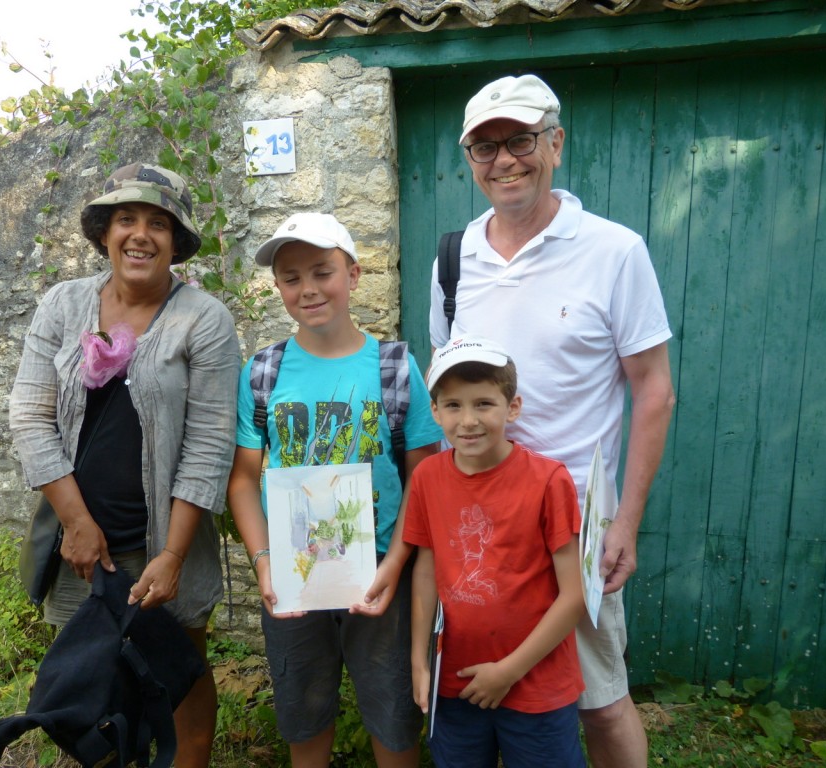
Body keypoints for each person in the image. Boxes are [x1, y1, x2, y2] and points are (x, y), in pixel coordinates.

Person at [429, 75, 676, 768]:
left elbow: (654, 390)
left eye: (520, 140)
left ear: (555, 143)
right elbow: (447, 386)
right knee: (482, 694)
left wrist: (625, 521)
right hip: (478, 524)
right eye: (484, 147)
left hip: (573, 525)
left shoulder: (613, 251)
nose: (504, 160)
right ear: (469, 160)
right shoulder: (452, 260)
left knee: (600, 702)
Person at [9, 162, 240, 768]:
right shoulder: (63, 305)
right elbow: (29, 418)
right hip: (82, 549)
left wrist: (173, 556)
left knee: (180, 671)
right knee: (92, 678)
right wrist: (77, 523)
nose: (141, 235)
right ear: (105, 233)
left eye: (158, 224)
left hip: (165, 543)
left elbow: (210, 445)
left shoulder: (203, 319)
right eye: (126, 220)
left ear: (176, 240)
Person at [227, 212, 443, 768]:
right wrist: (265, 562)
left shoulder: (395, 368)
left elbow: (425, 478)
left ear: (354, 274)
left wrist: (396, 564)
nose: (308, 289)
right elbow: (243, 478)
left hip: (380, 572)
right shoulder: (263, 373)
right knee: (303, 710)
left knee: (394, 714)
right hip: (294, 575)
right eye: (291, 277)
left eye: (322, 272)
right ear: (278, 287)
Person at [405, 334, 586, 767]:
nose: (468, 420)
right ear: (435, 411)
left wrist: (508, 671)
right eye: (453, 405)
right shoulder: (427, 478)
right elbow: (426, 570)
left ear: (513, 407)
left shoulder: (549, 481)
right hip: (455, 683)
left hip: (536, 687)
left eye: (484, 403)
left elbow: (575, 595)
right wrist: (419, 660)